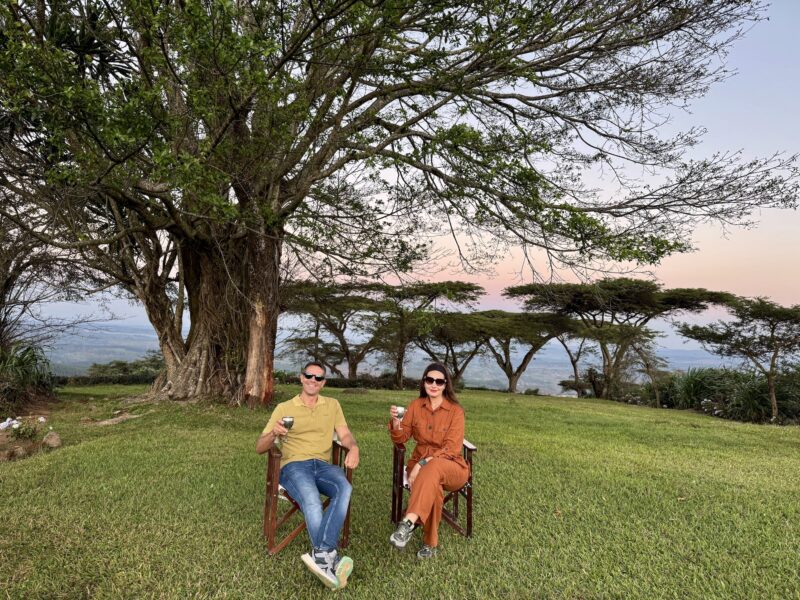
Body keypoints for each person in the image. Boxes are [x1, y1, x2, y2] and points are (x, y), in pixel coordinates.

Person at [256, 361, 360, 590]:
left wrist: (353, 448)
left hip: (323, 466)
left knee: (344, 487)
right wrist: (274, 432)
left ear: (323, 383)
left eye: (319, 378)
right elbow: (260, 447)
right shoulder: (284, 408)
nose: (313, 380)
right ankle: (327, 556)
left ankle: (321, 556)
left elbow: (345, 434)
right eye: (309, 376)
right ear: (301, 378)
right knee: (311, 498)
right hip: (294, 466)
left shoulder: (332, 405)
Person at [388, 362, 469, 559]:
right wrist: (396, 422)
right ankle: (429, 544)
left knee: (433, 468)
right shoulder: (416, 406)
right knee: (433, 486)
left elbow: (451, 448)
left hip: (452, 466)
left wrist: (421, 464)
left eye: (439, 381)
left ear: (445, 385)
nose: (434, 384)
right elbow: (401, 438)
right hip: (423, 467)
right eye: (429, 380)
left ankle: (408, 521)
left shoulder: (455, 411)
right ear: (424, 382)